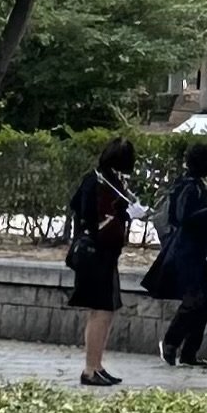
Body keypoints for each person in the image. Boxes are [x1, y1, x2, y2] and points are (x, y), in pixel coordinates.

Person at [67, 136, 138, 387]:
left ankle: (96, 364)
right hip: (97, 253)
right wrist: (123, 213)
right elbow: (93, 216)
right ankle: (90, 368)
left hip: (104, 254)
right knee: (100, 311)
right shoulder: (99, 182)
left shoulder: (106, 180)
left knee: (105, 312)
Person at [153, 141, 207, 369]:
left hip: (203, 251)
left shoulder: (202, 186)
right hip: (188, 251)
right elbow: (183, 217)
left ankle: (190, 351)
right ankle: (171, 342)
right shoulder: (189, 187)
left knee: (203, 304)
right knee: (194, 300)